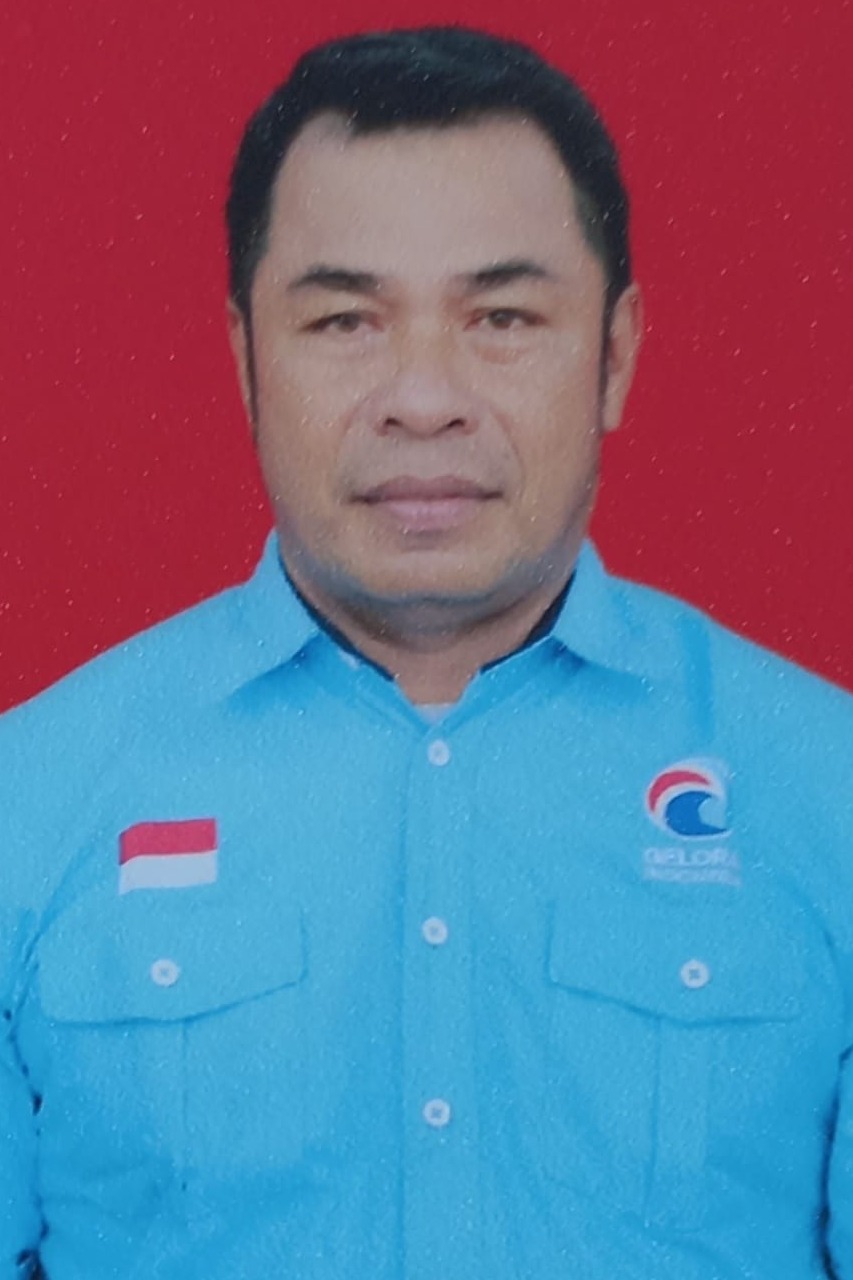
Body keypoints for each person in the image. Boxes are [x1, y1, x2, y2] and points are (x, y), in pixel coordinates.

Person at [2, 25, 852, 1280]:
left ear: (614, 355)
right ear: (244, 358)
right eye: (346, 320)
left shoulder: (826, 786)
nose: (422, 396)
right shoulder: (29, 798)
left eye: (501, 316)